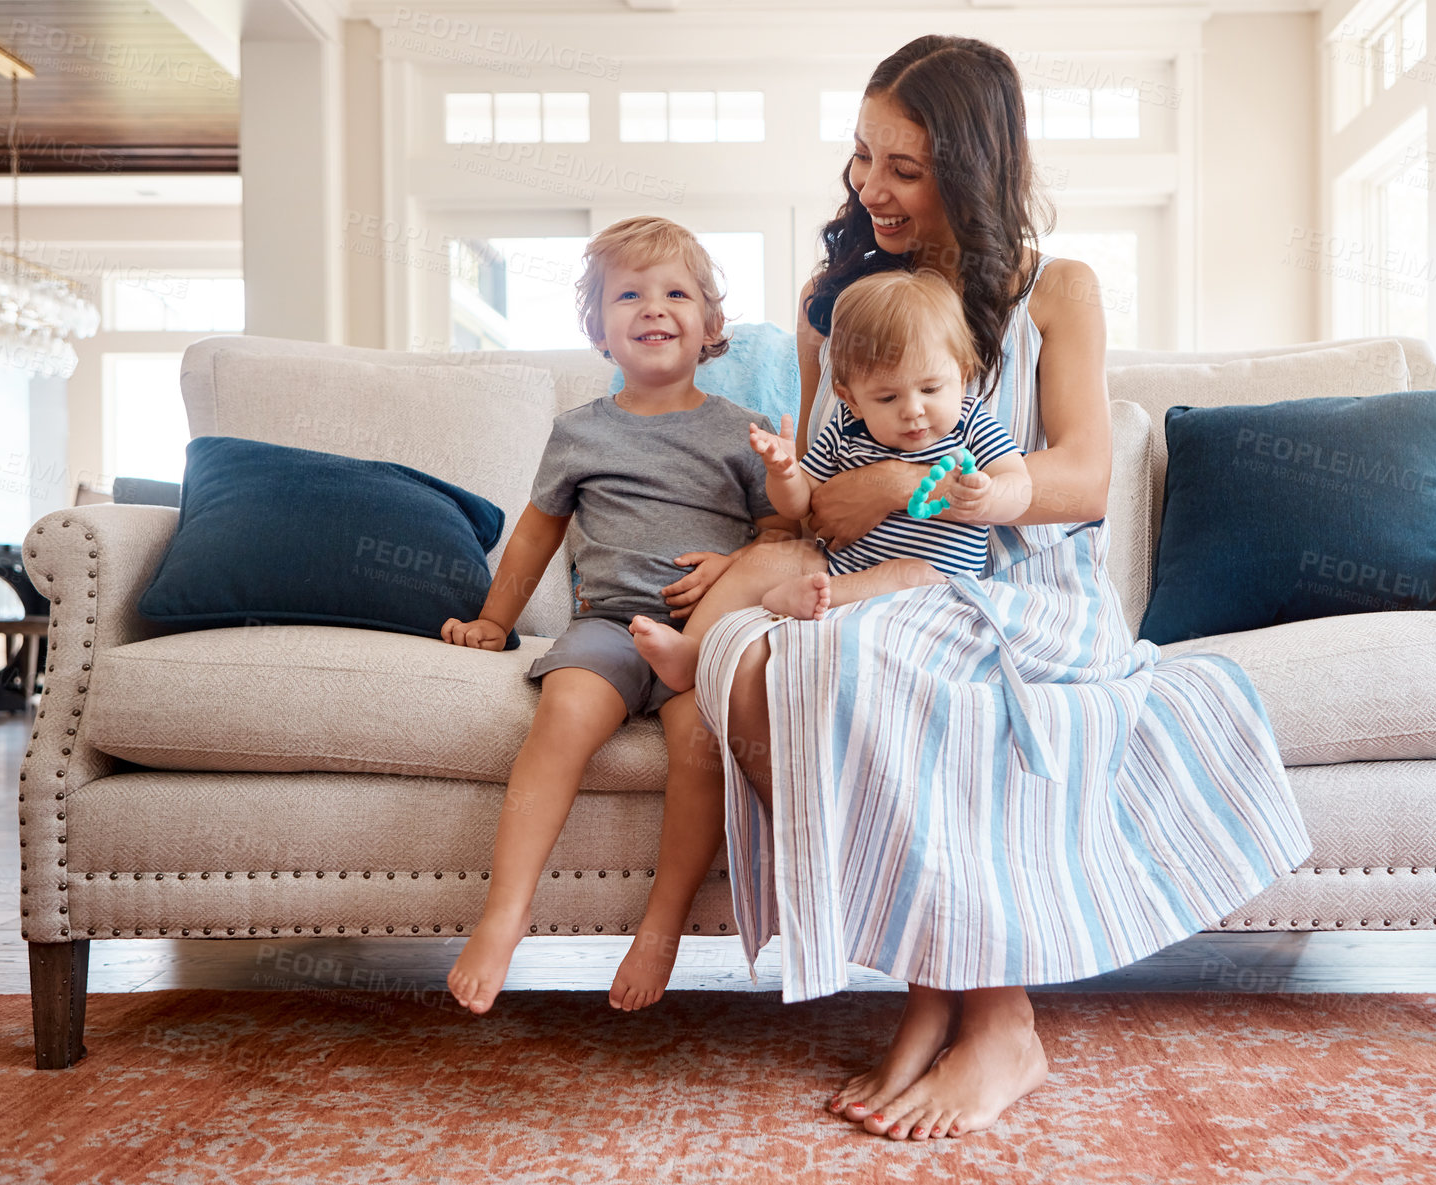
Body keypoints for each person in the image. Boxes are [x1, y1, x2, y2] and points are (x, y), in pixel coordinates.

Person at [692, 35, 1314, 1141]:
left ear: (972, 168)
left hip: (1027, 582)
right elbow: (819, 493)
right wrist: (800, 510)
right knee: (755, 671)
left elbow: (1083, 478)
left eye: (904, 167)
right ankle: (938, 985)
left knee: (870, 663)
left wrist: (908, 479)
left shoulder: (1056, 292)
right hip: (886, 573)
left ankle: (1001, 1023)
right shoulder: (829, 303)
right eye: (861, 157)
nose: (868, 188)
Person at [440, 215, 796, 1015]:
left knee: (701, 742)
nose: (652, 307)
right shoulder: (579, 432)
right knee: (563, 710)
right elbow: (538, 531)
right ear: (597, 327)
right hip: (606, 625)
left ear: (711, 324)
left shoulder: (745, 432)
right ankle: (505, 912)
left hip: (701, 635)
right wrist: (495, 620)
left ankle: (661, 927)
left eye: (675, 293)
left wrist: (734, 566)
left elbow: (782, 534)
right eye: (628, 294)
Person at [627, 268, 1032, 691]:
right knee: (770, 557)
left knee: (913, 574)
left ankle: (799, 601)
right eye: (888, 397)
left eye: (931, 389)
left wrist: (988, 498)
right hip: (839, 566)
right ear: (850, 398)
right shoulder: (847, 428)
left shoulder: (970, 424)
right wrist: (784, 473)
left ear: (962, 374)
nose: (913, 410)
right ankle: (691, 652)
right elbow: (800, 505)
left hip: (931, 583)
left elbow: (1020, 487)